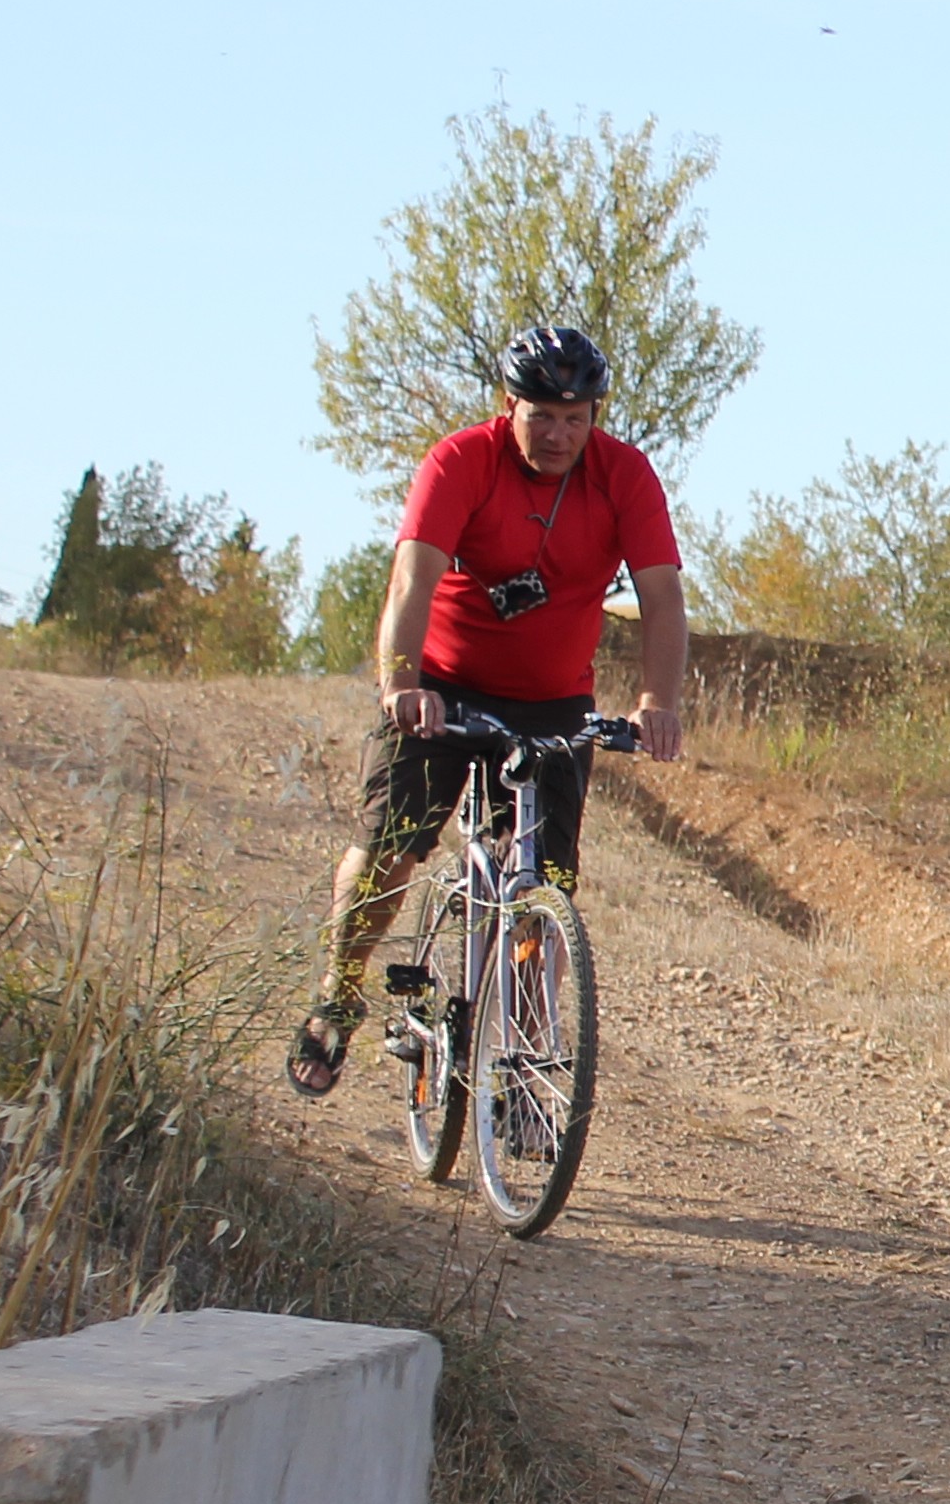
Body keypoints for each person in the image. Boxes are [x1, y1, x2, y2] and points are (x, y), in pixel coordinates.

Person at [288, 325, 688, 1094]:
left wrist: (656, 704)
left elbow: (662, 596)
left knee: (544, 888)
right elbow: (411, 580)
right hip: (441, 690)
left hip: (552, 705)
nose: (558, 434)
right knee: (389, 846)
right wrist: (400, 684)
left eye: (575, 418)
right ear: (509, 406)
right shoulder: (460, 461)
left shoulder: (623, 475)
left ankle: (527, 1063)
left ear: (595, 417)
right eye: (541, 416)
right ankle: (336, 998)